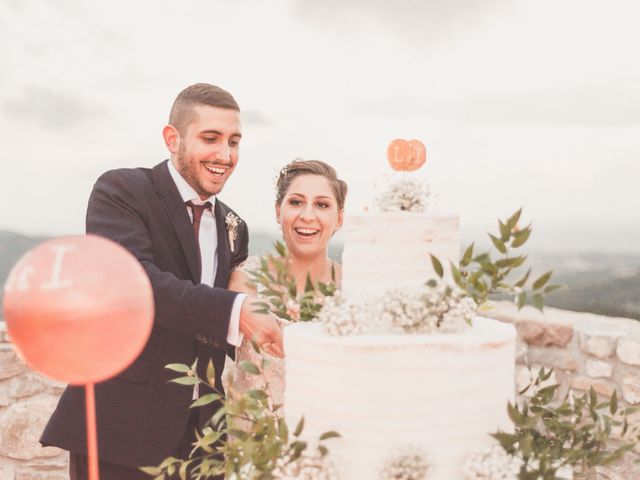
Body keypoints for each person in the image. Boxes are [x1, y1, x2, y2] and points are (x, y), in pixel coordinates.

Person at [40, 83, 283, 479]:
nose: (225, 155)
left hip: (204, 438)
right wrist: (238, 312)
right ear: (173, 138)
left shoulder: (233, 226)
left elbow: (216, 327)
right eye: (211, 138)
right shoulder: (122, 191)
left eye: (234, 141)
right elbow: (134, 284)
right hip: (120, 430)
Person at [228, 159, 347, 407]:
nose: (307, 215)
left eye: (322, 205)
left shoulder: (355, 290)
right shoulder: (247, 278)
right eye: (296, 202)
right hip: (255, 441)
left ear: (339, 218)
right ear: (278, 210)